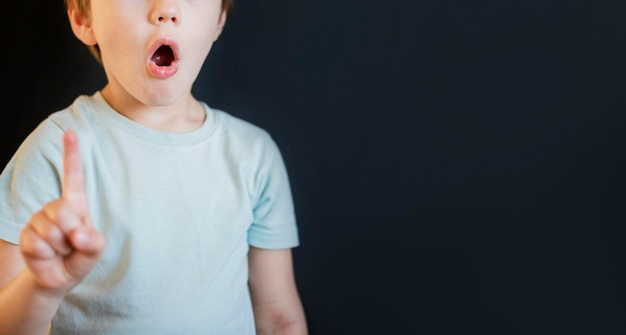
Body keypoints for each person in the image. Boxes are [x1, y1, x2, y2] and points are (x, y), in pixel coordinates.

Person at [0, 0, 308, 334]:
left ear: (219, 19)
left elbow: (279, 319)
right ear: (83, 18)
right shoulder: (52, 154)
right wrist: (41, 287)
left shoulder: (254, 157)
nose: (166, 9)